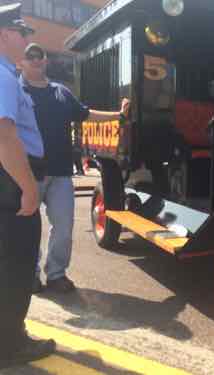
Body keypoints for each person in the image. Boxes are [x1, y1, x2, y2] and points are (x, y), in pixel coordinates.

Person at [20, 43, 129, 293]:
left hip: (59, 173)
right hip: (28, 173)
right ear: (22, 62)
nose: (36, 59)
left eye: (41, 55)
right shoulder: (14, 90)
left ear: (46, 60)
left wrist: (118, 116)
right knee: (28, 228)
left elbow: (85, 114)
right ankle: (30, 274)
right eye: (30, 56)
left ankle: (56, 274)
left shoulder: (61, 92)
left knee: (64, 227)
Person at [0, 3, 56, 367]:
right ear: (4, 34)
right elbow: (4, 135)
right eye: (22, 31)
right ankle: (10, 346)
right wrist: (29, 187)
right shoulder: (4, 76)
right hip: (11, 180)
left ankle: (9, 336)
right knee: (17, 266)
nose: (27, 37)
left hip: (7, 179)